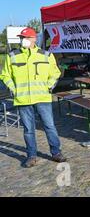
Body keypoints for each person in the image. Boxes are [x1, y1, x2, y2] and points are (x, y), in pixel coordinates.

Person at [0, 27, 66, 168]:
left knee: (49, 126)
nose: (22, 40)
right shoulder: (12, 55)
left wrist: (49, 86)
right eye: (21, 38)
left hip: (42, 98)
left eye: (26, 38)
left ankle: (56, 152)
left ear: (34, 39)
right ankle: (31, 156)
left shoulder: (46, 55)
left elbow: (55, 73)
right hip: (23, 99)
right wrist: (13, 88)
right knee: (28, 130)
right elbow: (5, 75)